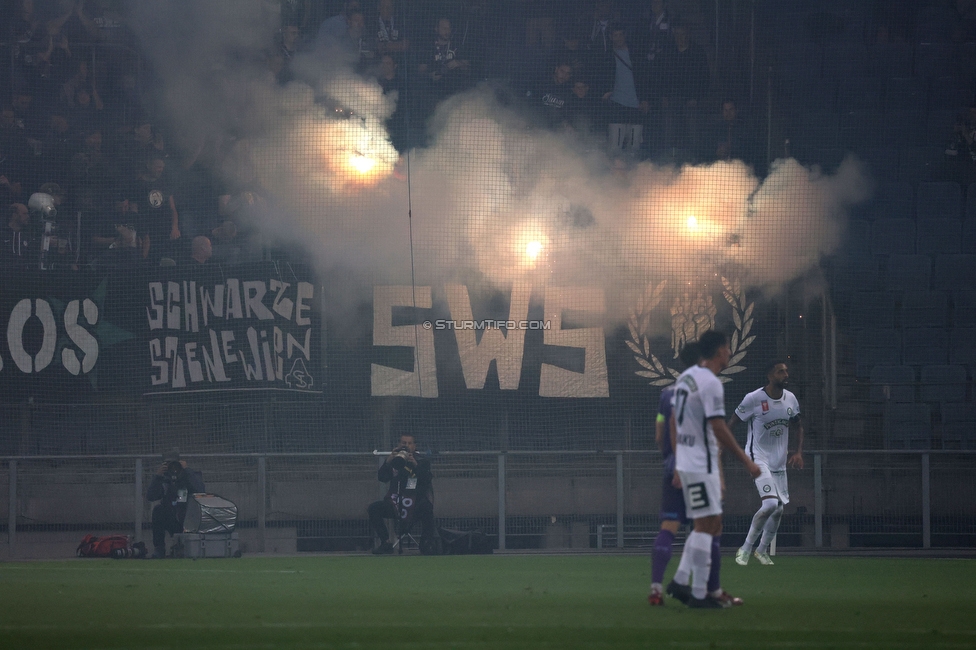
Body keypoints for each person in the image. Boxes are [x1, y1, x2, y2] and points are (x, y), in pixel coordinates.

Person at [666, 330, 761, 608]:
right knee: (708, 524)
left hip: (687, 461)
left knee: (708, 523)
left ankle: (683, 582)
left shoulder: (685, 378)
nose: (730, 353)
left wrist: (677, 461)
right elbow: (718, 427)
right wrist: (746, 460)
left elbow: (673, 419)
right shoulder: (710, 383)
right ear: (720, 350)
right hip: (701, 462)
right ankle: (696, 593)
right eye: (728, 348)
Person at [730, 360, 804, 566]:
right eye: (780, 371)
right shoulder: (754, 398)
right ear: (770, 376)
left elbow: (799, 426)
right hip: (757, 457)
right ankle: (745, 549)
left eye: (786, 371)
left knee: (779, 509)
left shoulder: (791, 399)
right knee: (770, 503)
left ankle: (761, 551)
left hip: (778, 462)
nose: (785, 374)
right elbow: (732, 422)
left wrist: (798, 452)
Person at [367, 433, 435, 554]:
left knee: (427, 508)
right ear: (399, 444)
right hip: (395, 502)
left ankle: (426, 544)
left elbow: (426, 480)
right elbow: (382, 477)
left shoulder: (422, 462)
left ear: (414, 446)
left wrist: (415, 464)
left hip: (415, 503)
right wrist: (388, 461)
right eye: (404, 443)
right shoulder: (394, 461)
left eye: (409, 443)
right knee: (374, 508)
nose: (406, 446)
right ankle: (386, 542)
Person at [146, 448, 205, 559]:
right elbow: (151, 497)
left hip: (189, 520)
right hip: (172, 519)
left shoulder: (189, 476)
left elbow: (200, 490)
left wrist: (186, 470)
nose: (172, 467)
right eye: (168, 464)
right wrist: (157, 477)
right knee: (158, 510)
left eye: (174, 463)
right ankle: (159, 548)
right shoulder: (164, 480)